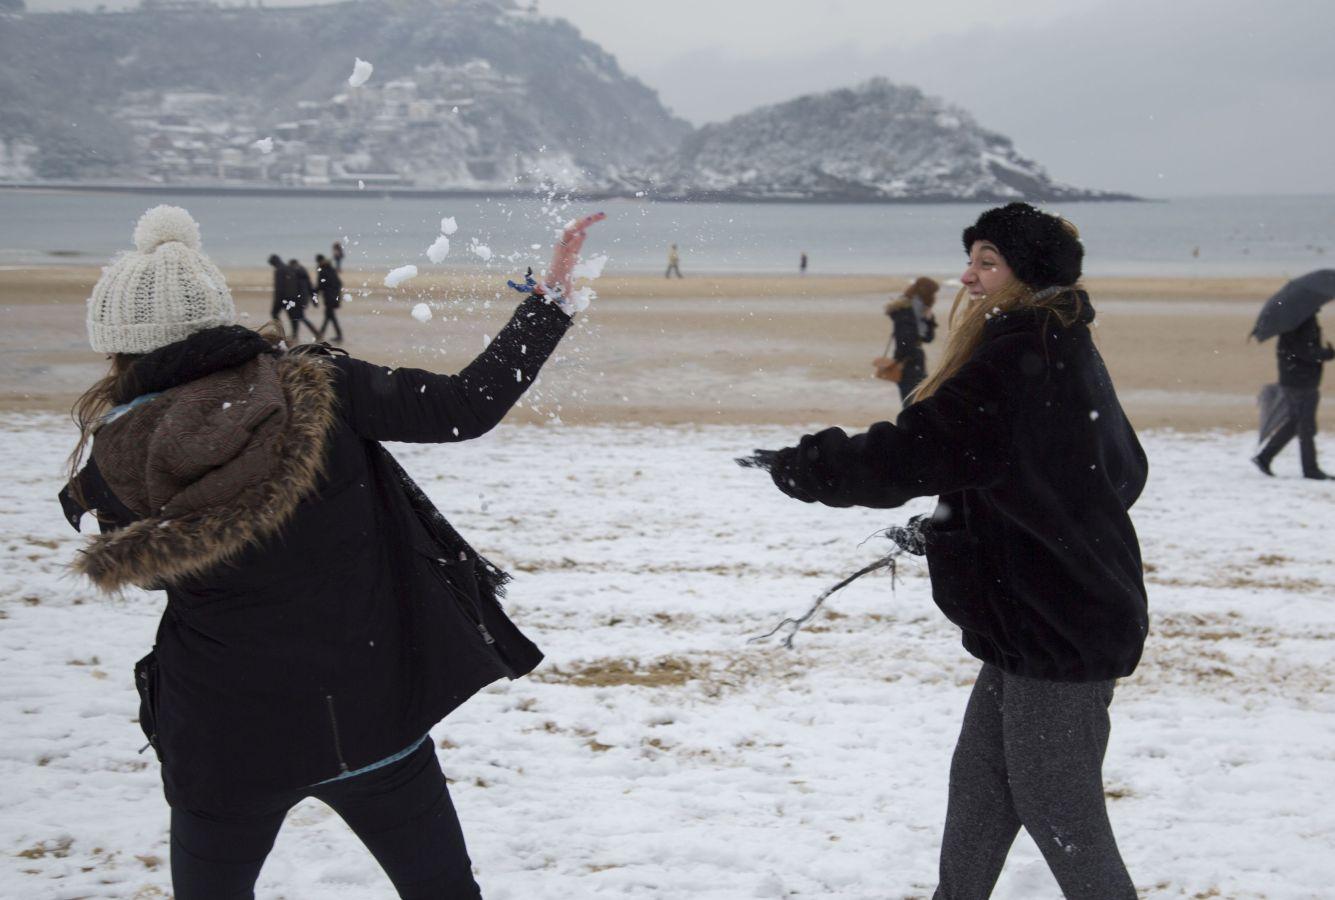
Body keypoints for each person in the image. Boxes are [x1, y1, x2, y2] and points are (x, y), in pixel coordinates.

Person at [59, 205, 606, 899]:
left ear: (117, 346)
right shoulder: (318, 387)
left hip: (227, 737)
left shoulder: (112, 458)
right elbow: (467, 405)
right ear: (217, 316)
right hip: (368, 711)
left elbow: (148, 576)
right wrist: (550, 302)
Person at [758, 202, 1145, 899]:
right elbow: (1101, 474)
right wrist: (961, 523)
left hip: (1061, 627)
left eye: (987, 262)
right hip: (1028, 621)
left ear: (1026, 273)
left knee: (1059, 810)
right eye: (970, 259)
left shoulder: (1021, 356)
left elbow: (918, 452)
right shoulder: (1059, 343)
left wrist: (811, 466)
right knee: (979, 788)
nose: (967, 276)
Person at [1252, 313, 1333, 479]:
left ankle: (1265, 457)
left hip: (1294, 378)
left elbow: (1297, 350)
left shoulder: (1291, 320)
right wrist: (1327, 354)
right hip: (1301, 380)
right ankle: (1310, 469)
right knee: (1306, 425)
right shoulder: (1303, 320)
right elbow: (1306, 351)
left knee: (1297, 421)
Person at [883, 276, 939, 401]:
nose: (935, 297)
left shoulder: (922, 311)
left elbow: (928, 338)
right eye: (933, 293)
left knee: (920, 398)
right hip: (906, 362)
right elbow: (904, 340)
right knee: (911, 400)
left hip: (915, 360)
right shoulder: (904, 311)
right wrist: (911, 355)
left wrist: (928, 320)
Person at [287, 257, 321, 342]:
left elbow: (295, 289)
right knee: (297, 317)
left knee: (300, 317)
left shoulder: (296, 275)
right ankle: (295, 335)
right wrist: (314, 301)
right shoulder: (304, 274)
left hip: (298, 300)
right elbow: (310, 288)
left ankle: (316, 333)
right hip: (303, 299)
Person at [314, 253, 344, 343]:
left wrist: (315, 294)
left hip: (329, 296)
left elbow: (320, 285)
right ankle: (323, 334)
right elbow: (339, 283)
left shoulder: (322, 271)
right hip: (334, 295)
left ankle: (322, 334)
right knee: (329, 316)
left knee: (329, 316)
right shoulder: (331, 269)